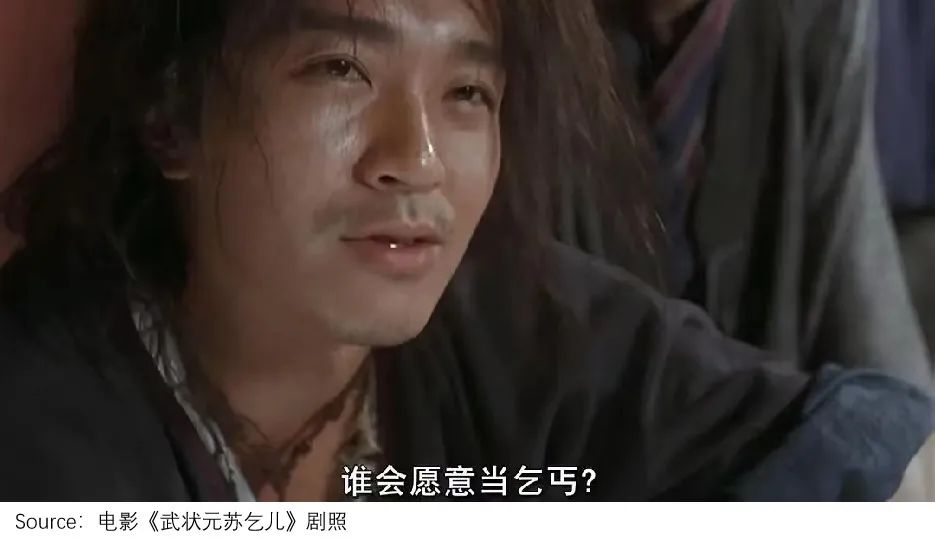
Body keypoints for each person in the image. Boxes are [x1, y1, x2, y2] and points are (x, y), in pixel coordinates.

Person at [0, 0, 931, 501]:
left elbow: (873, 457)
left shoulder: (503, 313)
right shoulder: (43, 414)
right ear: (172, 115)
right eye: (341, 69)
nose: (416, 160)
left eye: (467, 96)